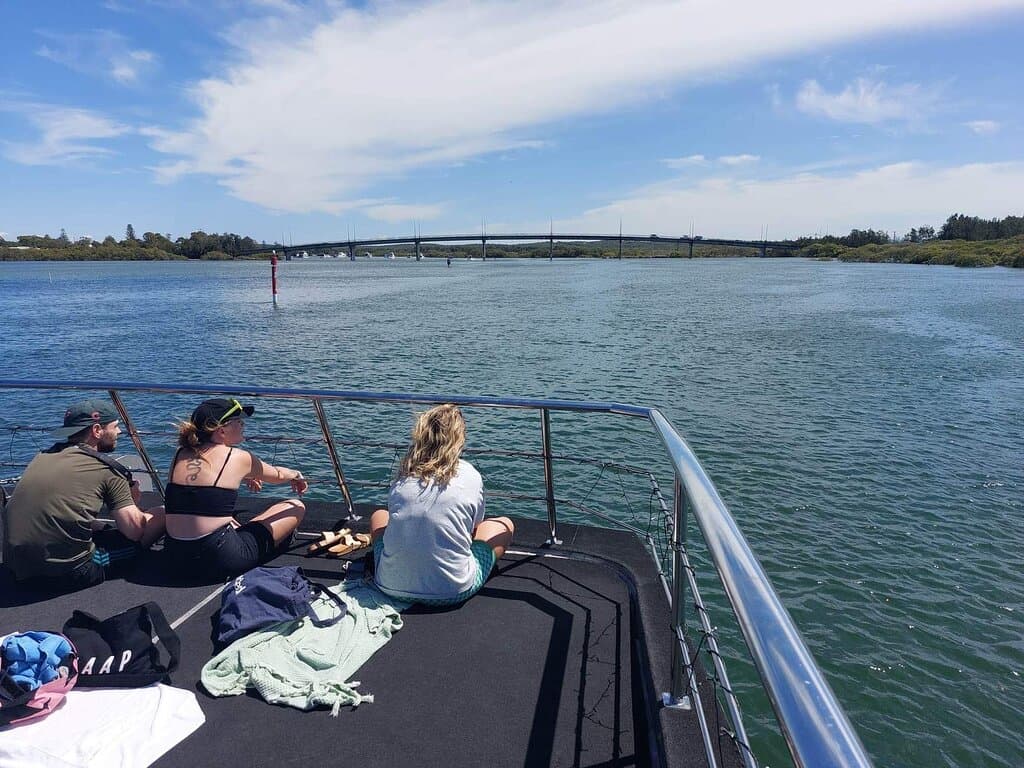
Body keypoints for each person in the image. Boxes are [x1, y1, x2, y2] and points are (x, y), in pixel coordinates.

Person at [3, 399, 166, 593]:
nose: (119, 432)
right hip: (66, 572)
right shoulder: (108, 470)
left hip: (15, 567)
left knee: (97, 526)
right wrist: (133, 501)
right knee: (160, 516)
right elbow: (135, 532)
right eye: (115, 427)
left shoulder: (43, 457)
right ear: (97, 430)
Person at [371, 404, 514, 606]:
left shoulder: (404, 477)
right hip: (452, 591)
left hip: (388, 585)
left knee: (379, 515)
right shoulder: (469, 474)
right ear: (459, 439)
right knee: (504, 524)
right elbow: (474, 527)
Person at [163, 398, 307, 576]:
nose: (243, 425)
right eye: (238, 421)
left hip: (174, 557)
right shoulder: (238, 457)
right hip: (219, 559)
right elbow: (277, 475)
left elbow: (197, 496)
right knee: (295, 506)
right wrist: (296, 475)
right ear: (221, 430)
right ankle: (277, 540)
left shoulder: (180, 453)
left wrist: (246, 474)